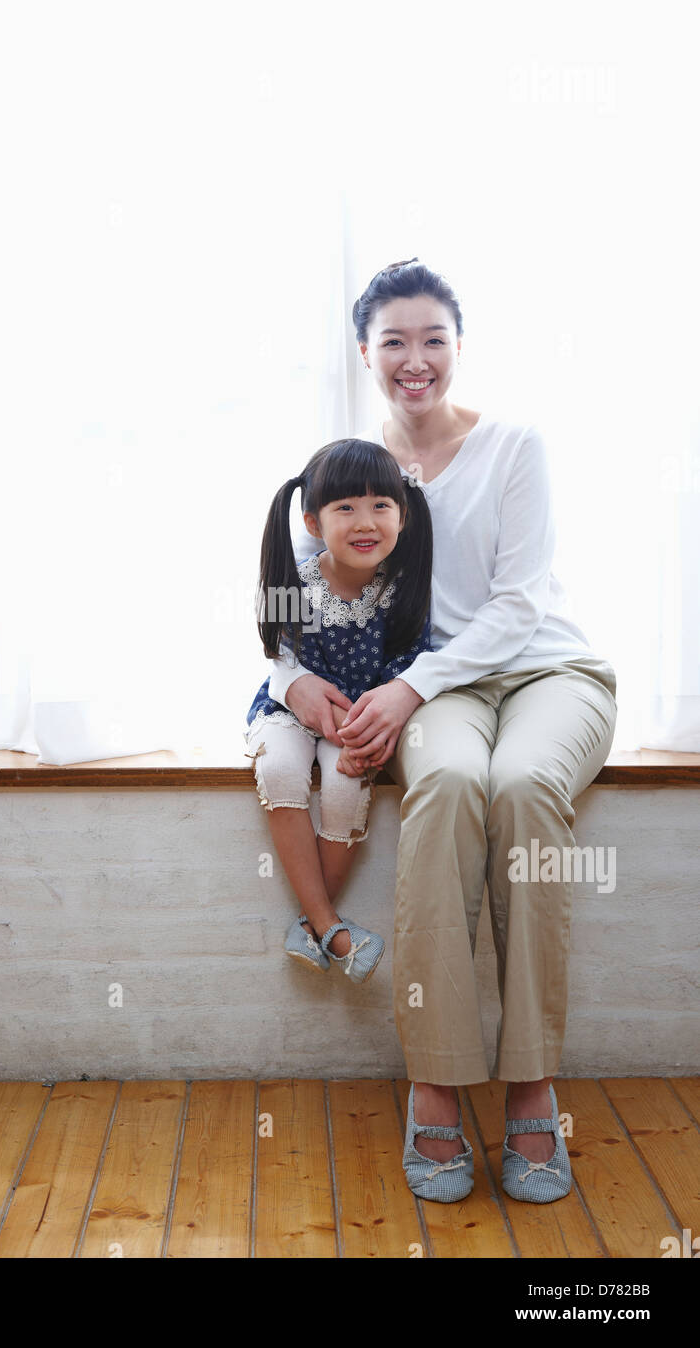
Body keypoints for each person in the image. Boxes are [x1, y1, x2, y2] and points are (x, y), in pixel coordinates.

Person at [267, 258, 618, 1205]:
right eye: (394, 342)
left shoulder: (513, 445)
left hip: (545, 669)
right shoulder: (359, 471)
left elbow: (516, 605)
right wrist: (295, 681)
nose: (414, 359)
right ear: (365, 353)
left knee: (522, 789)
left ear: (458, 348)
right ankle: (435, 1078)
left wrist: (408, 687)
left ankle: (532, 1080)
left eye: (433, 340)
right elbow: (294, 595)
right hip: (439, 694)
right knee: (453, 787)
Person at [243, 437, 433, 982]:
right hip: (289, 709)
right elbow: (279, 660)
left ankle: (309, 928)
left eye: (381, 506)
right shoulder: (290, 584)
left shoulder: (403, 590)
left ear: (403, 516)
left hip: (359, 717)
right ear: (312, 521)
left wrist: (368, 734)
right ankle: (329, 923)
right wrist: (303, 695)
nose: (365, 521)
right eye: (345, 507)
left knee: (347, 787)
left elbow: (409, 669)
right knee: (278, 767)